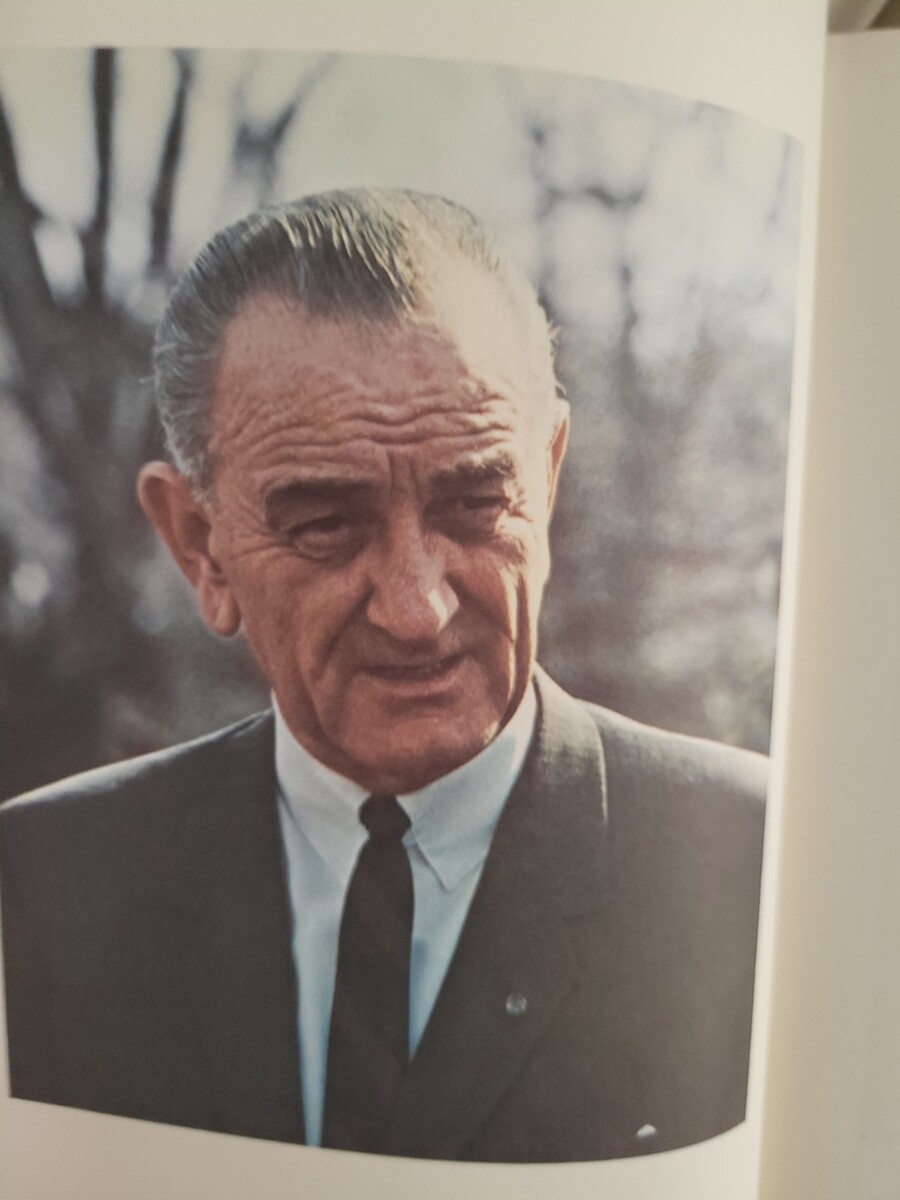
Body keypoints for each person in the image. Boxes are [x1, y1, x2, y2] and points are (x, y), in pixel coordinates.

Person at [0, 188, 766, 1163]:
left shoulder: (756, 869)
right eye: (327, 525)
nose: (417, 608)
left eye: (476, 504)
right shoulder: (41, 892)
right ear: (199, 545)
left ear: (548, 480)